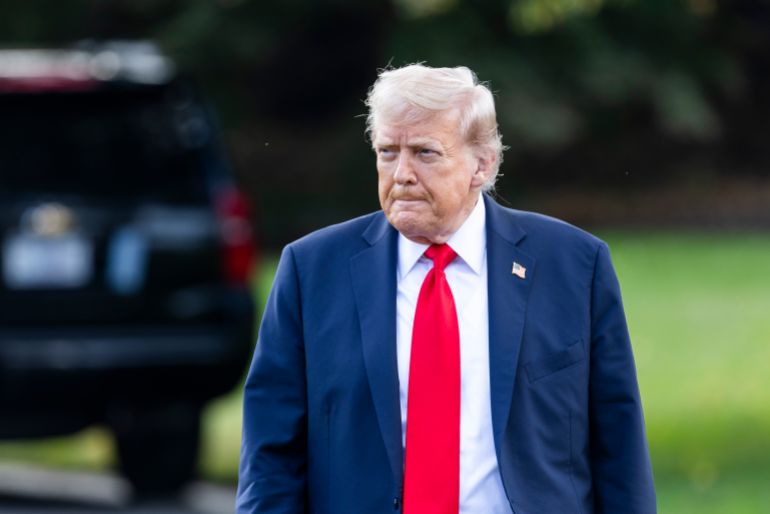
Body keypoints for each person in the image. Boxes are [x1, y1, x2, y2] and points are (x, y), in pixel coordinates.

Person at [236, 64, 656, 514]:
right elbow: (270, 458)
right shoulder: (312, 272)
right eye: (387, 152)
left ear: (483, 164)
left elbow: (620, 446)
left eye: (425, 153)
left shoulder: (574, 266)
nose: (401, 174)